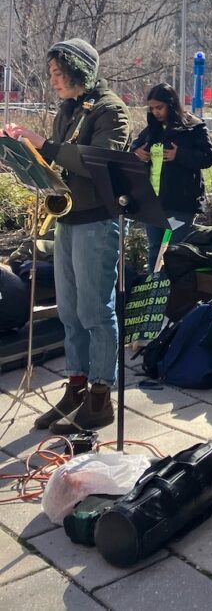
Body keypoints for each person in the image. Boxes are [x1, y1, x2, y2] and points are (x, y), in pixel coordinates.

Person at [5, 39, 130, 431]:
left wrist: (47, 145)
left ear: (80, 70)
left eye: (60, 73)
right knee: (70, 313)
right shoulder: (68, 110)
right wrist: (24, 150)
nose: (55, 80)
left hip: (97, 220)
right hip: (69, 219)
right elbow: (55, 159)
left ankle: (100, 396)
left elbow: (99, 162)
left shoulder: (111, 109)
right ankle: (75, 386)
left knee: (96, 311)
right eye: (52, 74)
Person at [131, 84, 212, 272]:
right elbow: (133, 149)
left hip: (180, 202)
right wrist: (137, 152)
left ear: (171, 105)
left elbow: (210, 156)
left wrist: (180, 155)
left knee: (174, 252)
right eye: (152, 108)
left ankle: (174, 296)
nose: (156, 112)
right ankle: (153, 294)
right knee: (154, 249)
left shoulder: (194, 127)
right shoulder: (152, 129)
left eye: (159, 107)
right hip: (153, 201)